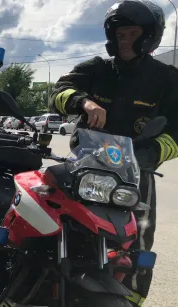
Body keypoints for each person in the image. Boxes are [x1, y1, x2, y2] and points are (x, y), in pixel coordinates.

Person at [49, 1, 178, 306]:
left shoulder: (167, 79)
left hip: (137, 170)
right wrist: (84, 102)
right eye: (121, 34)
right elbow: (57, 93)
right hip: (87, 164)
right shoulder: (95, 69)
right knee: (68, 225)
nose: (125, 40)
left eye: (132, 33)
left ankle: (131, 299)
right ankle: (54, 285)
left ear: (149, 36)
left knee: (138, 243)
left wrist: (152, 153)